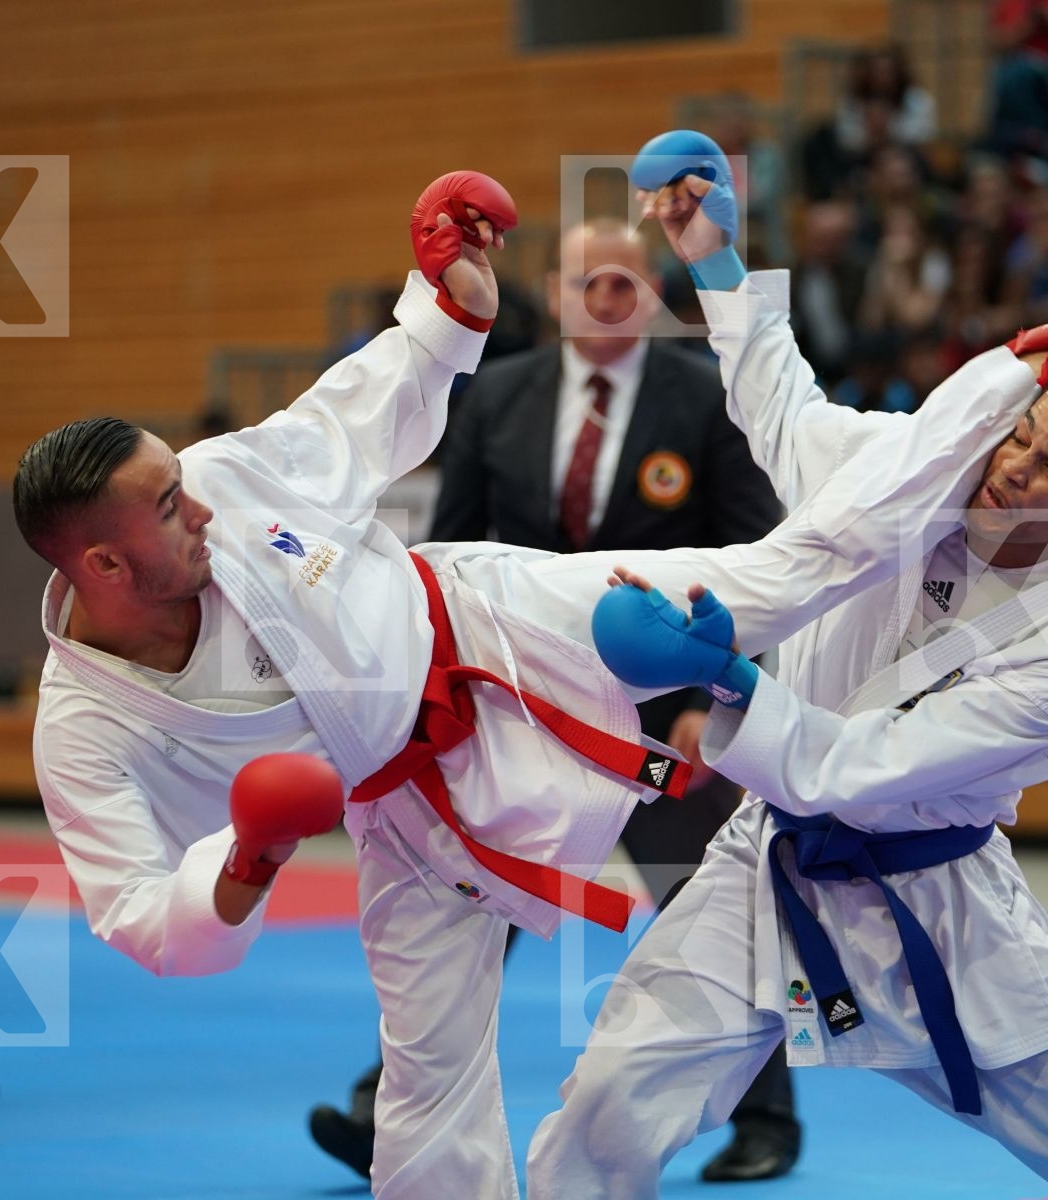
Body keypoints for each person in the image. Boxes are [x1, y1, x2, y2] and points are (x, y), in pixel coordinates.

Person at [17, 169, 1013, 1200]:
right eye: (170, 506)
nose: (201, 505)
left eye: (183, 485)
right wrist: (245, 863)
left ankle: (990, 429)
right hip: (410, 811)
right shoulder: (85, 727)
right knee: (429, 1077)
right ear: (100, 567)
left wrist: (449, 313)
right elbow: (135, 910)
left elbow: (347, 420)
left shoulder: (219, 479)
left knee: (777, 577)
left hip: (497, 623)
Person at [525, 130, 1048, 1200]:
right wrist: (716, 265)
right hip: (767, 872)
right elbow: (783, 413)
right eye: (1025, 435)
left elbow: (856, 770)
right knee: (605, 1105)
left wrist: (732, 679)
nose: (1016, 465)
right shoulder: (912, 475)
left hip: (940, 911)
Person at [307, 219, 802, 1185]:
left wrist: (724, 701)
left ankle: (768, 1120)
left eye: (624, 283)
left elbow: (754, 566)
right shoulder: (497, 396)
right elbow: (438, 566)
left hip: (671, 717)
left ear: (652, 291)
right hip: (520, 710)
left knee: (715, 907)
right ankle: (388, 1106)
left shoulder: (704, 403)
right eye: (587, 282)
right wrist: (430, 708)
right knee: (470, 896)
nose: (605, 299)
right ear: (556, 286)